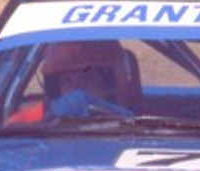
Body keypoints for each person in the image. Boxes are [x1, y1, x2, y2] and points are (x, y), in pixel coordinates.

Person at [11, 40, 140, 122]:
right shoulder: (27, 125)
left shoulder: (141, 131)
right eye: (68, 80)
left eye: (88, 78)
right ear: (55, 88)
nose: (77, 90)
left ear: (111, 85)